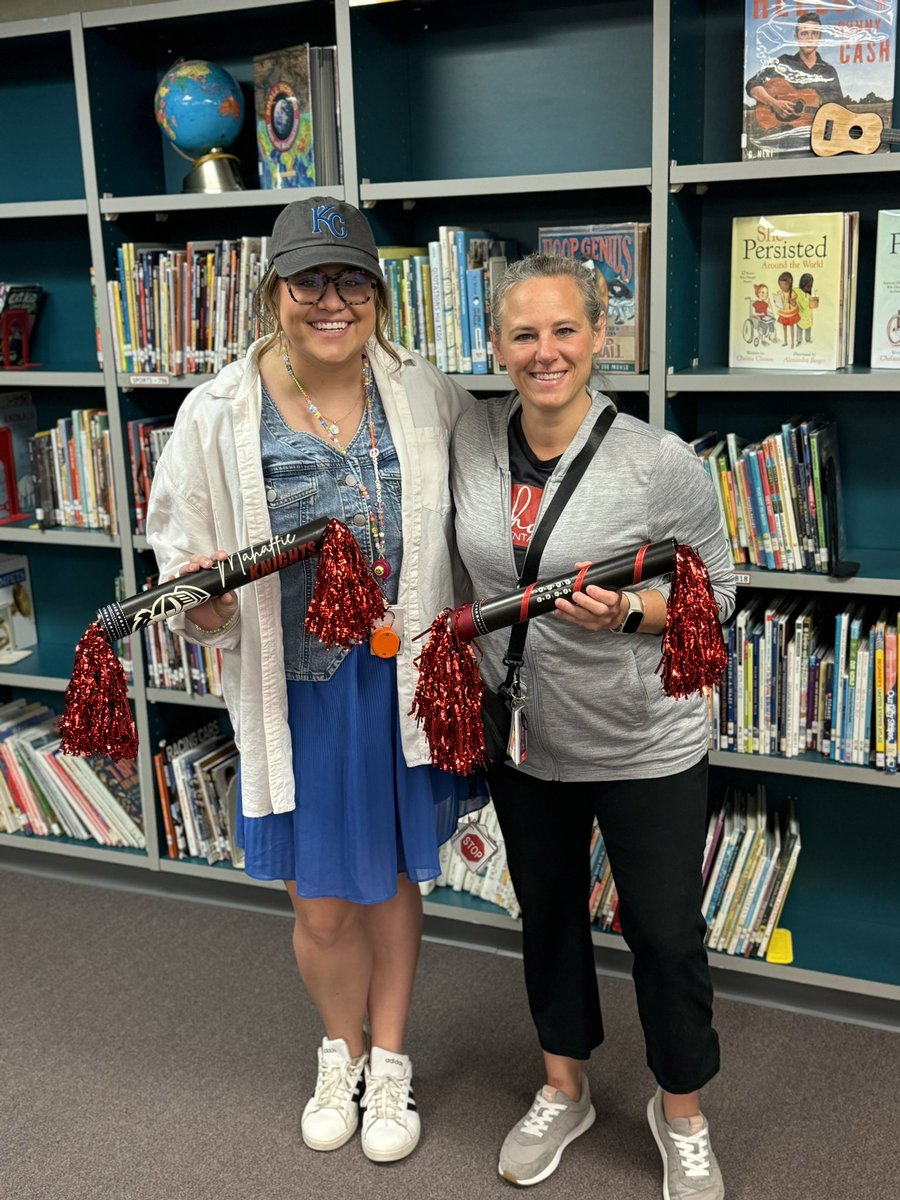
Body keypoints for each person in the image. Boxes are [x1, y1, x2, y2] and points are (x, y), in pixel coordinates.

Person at [146, 195, 479, 1164]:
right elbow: (181, 554)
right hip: (296, 695)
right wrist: (204, 606)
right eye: (309, 282)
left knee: (395, 882)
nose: (332, 302)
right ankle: (344, 1053)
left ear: (378, 293)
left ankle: (393, 1060)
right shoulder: (217, 412)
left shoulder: (424, 392)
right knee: (321, 903)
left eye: (352, 281)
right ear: (273, 293)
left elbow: (468, 513)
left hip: (399, 680)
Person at [450, 253, 735, 1197]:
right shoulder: (469, 436)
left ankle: (681, 1112)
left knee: (665, 932)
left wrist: (631, 615)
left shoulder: (659, 462)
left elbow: (719, 597)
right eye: (524, 334)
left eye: (565, 330)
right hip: (525, 736)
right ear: (497, 345)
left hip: (643, 738)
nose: (546, 352)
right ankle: (563, 1089)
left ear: (599, 336)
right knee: (549, 920)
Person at [745, 11, 845, 155]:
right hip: (789, 145)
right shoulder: (783, 63)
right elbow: (752, 84)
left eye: (814, 33)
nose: (809, 39)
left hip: (822, 142)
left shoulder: (829, 72)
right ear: (796, 37)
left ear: (820, 37)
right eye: (804, 33)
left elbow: (840, 109)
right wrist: (774, 103)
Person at [774, 270, 800, 348]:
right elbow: (779, 302)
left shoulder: (792, 293)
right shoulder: (780, 292)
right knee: (784, 327)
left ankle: (792, 343)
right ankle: (785, 341)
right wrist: (776, 301)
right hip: (784, 312)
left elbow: (794, 304)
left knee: (792, 327)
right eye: (781, 284)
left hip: (791, 313)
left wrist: (791, 301)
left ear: (790, 284)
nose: (783, 286)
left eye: (785, 284)